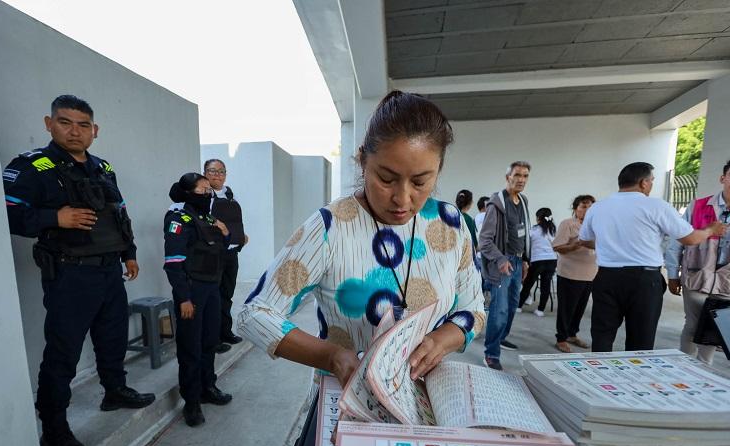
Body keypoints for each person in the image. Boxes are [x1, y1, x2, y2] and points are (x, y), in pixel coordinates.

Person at [238, 91, 485, 387]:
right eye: (386, 178)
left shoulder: (450, 224)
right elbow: (254, 315)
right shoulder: (329, 228)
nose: (402, 198)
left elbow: (473, 308)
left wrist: (442, 339)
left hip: (428, 397)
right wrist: (331, 356)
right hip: (348, 398)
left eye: (420, 182)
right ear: (362, 160)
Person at [2, 95, 154, 446]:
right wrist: (55, 218)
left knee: (112, 338)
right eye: (65, 122)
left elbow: (120, 213)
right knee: (63, 353)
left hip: (108, 271)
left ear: (94, 130)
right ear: (49, 124)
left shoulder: (102, 167)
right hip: (70, 274)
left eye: (83, 124)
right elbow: (4, 214)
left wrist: (129, 253)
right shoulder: (31, 167)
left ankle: (114, 390)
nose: (75, 130)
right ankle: (54, 431)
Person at [579, 162, 726, 352]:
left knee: (602, 334)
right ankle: (635, 378)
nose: (651, 185)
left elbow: (584, 240)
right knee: (641, 338)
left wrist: (609, 243)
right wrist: (709, 230)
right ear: (643, 183)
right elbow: (690, 238)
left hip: (607, 278)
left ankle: (599, 378)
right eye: (652, 181)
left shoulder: (598, 208)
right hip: (644, 281)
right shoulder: (656, 206)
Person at [164, 173, 233, 426]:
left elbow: (218, 249)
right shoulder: (178, 219)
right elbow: (173, 263)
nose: (208, 195)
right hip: (191, 292)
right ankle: (191, 402)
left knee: (210, 341)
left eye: (209, 191)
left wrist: (225, 234)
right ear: (188, 194)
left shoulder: (208, 218)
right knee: (190, 347)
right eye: (202, 191)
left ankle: (208, 388)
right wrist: (183, 298)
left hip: (212, 289)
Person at [665, 160, 730, 364]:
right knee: (692, 325)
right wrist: (673, 274)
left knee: (714, 327)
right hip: (696, 277)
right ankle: (684, 366)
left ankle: (704, 369)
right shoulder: (699, 205)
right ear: (723, 178)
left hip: (726, 282)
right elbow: (677, 242)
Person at [479, 162, 532, 370]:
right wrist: (501, 260)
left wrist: (525, 259)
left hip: (518, 262)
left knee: (511, 308)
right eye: (517, 175)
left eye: (526, 176)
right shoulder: (496, 204)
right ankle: (491, 353)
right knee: (499, 311)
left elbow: (524, 232)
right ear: (507, 177)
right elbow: (484, 241)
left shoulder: (523, 201)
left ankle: (500, 337)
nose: (521, 179)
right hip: (503, 263)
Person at [205, 158, 247, 354]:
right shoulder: (204, 194)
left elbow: (235, 220)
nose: (217, 175)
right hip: (213, 254)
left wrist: (240, 237)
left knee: (227, 294)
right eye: (213, 171)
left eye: (221, 171)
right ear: (205, 173)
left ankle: (225, 332)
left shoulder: (230, 194)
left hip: (231, 253)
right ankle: (212, 339)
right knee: (213, 296)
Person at [552, 195, 597, 353]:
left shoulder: (596, 226)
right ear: (575, 208)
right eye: (583, 206)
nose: (587, 210)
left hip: (590, 274)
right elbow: (558, 247)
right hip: (570, 273)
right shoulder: (568, 224)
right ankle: (561, 338)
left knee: (580, 307)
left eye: (590, 207)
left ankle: (572, 334)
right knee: (567, 308)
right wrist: (576, 245)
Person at [518, 208, 557, 317]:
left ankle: (519, 306)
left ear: (538, 218)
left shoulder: (534, 230)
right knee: (546, 284)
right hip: (552, 260)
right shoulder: (553, 230)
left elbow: (525, 242)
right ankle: (540, 310)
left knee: (528, 283)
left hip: (538, 260)